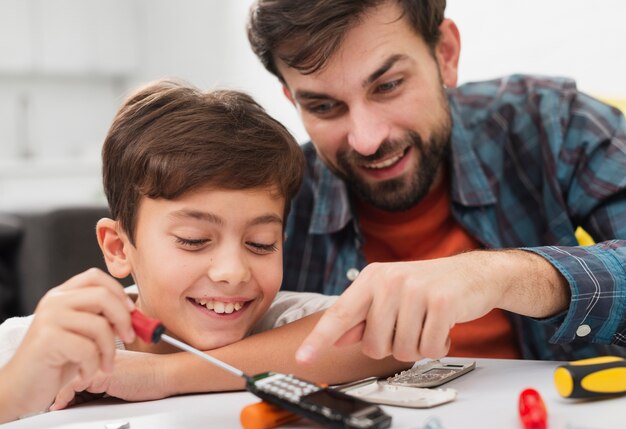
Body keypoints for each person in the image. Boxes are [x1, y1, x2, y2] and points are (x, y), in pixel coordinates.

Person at [245, 0, 626, 364]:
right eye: (323, 107)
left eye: (388, 85)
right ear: (293, 101)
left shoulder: (553, 122)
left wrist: (502, 276)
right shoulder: (276, 195)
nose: (367, 140)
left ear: (445, 54)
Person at [0, 80, 404, 415]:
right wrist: (18, 384)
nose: (233, 271)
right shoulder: (43, 345)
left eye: (261, 244)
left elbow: (389, 342)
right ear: (119, 248)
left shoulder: (284, 321)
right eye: (193, 241)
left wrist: (164, 375)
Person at [0, 269, 135, 423]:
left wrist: (165, 372)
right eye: (170, 243)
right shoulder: (21, 348)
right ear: (117, 250)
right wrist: (10, 394)